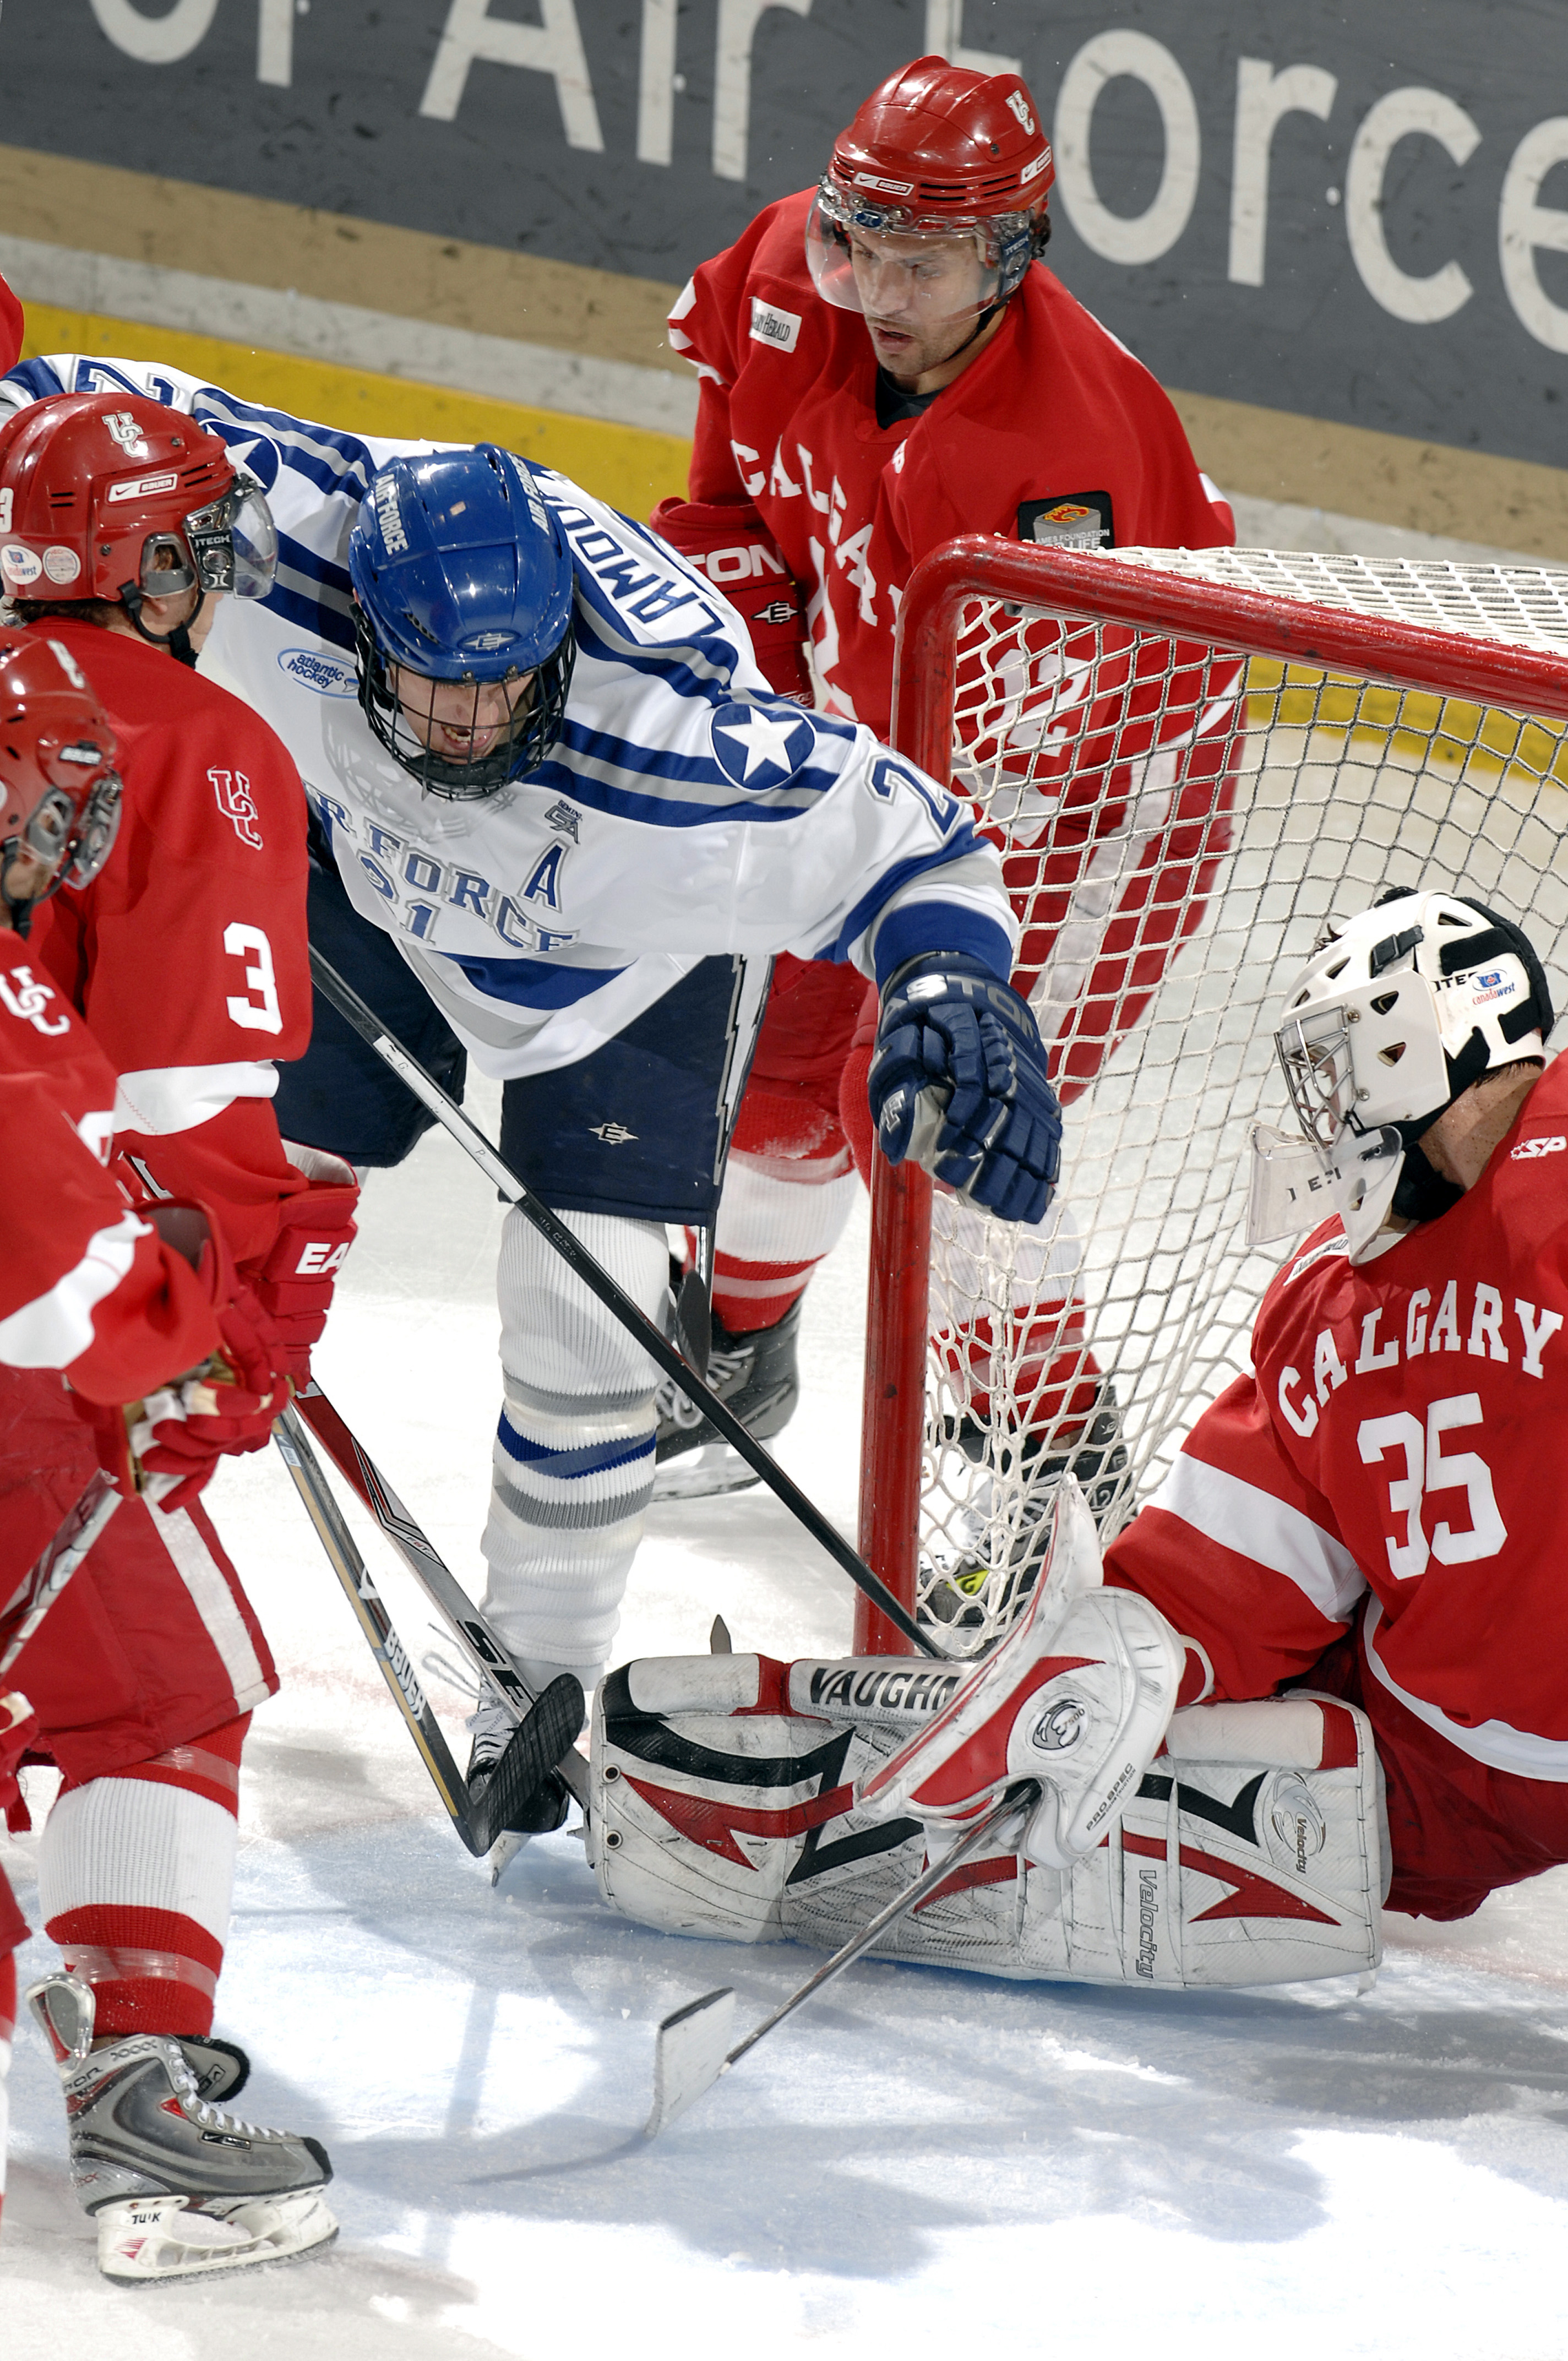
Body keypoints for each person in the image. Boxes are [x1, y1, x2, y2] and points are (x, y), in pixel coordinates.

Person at [0, 350, 1064, 1827]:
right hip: (358, 883)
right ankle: (90, 1592)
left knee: (588, 1305)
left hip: (604, 972)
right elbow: (61, 403)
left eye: (504, 687)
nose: (464, 726)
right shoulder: (281, 529)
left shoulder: (680, 754)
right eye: (430, 679)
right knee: (223, 1230)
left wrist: (957, 985)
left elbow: (922, 844)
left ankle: (538, 1695)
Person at [652, 55, 1239, 1505]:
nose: (879, 285)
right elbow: (730, 510)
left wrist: (825, 838)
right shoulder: (792, 271)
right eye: (859, 243)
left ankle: (1047, 1458)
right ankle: (734, 1351)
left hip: (1095, 801)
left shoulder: (1066, 472)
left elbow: (990, 791)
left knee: (934, 1105)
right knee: (775, 1052)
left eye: (925, 261)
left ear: (1012, 254)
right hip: (888, 735)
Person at [0, 392, 358, 2279]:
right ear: (152, 565)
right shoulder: (202, 749)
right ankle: (146, 2119)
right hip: (51, 1325)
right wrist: (216, 1324)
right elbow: (188, 1113)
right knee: (164, 1682)